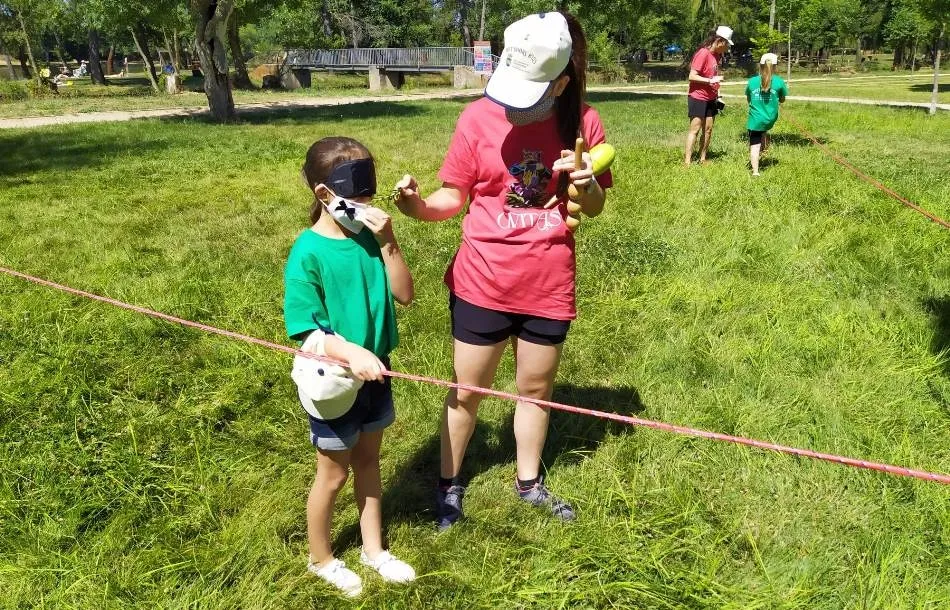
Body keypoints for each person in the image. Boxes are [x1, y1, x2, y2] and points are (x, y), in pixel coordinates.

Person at [394, 11, 612, 530]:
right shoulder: (476, 118)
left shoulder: (583, 121)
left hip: (548, 281)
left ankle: (529, 483)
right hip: (483, 279)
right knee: (468, 391)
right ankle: (448, 485)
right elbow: (456, 193)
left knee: (535, 391)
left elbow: (595, 207)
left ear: (560, 83)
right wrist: (420, 208)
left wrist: (585, 186)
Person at [284, 136, 416, 596]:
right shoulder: (307, 253)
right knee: (334, 473)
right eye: (355, 197)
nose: (365, 205)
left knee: (370, 461)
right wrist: (351, 352)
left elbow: (404, 294)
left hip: (377, 373)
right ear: (325, 195)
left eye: (369, 195)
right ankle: (320, 558)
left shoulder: (368, 240)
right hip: (336, 381)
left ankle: (373, 549)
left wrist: (388, 239)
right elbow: (305, 329)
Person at [684, 25, 733, 166]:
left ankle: (703, 158)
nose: (727, 48)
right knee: (695, 129)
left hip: (711, 97)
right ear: (720, 41)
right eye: (727, 45)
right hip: (698, 97)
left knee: (708, 129)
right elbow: (692, 76)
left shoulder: (716, 55)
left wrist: (719, 95)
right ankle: (687, 161)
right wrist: (710, 81)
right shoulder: (703, 53)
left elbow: (714, 76)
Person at [745, 53, 788, 176]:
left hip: (755, 120)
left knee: (754, 145)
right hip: (770, 118)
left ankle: (755, 172)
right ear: (775, 67)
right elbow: (782, 100)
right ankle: (764, 151)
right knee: (763, 132)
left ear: (760, 65)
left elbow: (749, 99)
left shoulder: (752, 81)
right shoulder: (779, 82)